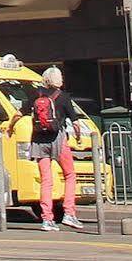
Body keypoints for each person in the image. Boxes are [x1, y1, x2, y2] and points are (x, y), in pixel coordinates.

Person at [18, 67, 88, 232]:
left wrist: (10, 128)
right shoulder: (63, 97)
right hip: (58, 139)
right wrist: (77, 137)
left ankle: (47, 219)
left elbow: (18, 114)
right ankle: (69, 213)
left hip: (38, 140)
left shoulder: (36, 95)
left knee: (46, 180)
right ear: (58, 80)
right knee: (70, 174)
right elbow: (75, 122)